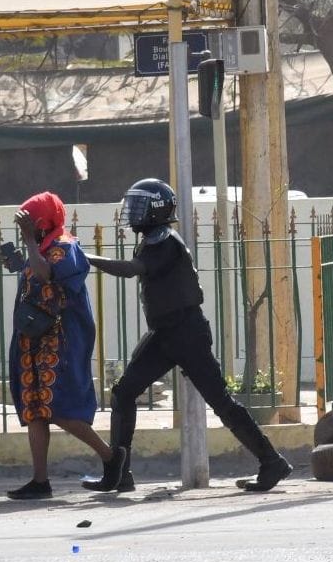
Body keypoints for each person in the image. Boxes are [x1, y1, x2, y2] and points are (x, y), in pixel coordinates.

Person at [80, 178, 293, 494]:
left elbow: (130, 269)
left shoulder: (165, 241)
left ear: (155, 209)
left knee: (221, 402)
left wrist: (87, 258)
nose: (133, 212)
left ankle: (271, 462)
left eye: (139, 205)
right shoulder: (153, 239)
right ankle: (119, 473)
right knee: (124, 392)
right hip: (165, 333)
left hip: (187, 332)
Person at [3, 191, 126, 500]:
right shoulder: (42, 247)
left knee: (59, 408)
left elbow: (48, 276)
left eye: (31, 222)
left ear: (43, 223)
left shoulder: (66, 248)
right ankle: (40, 481)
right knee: (36, 410)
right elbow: (33, 275)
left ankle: (112, 458)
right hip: (33, 343)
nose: (27, 227)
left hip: (60, 344)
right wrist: (22, 260)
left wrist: (30, 241)